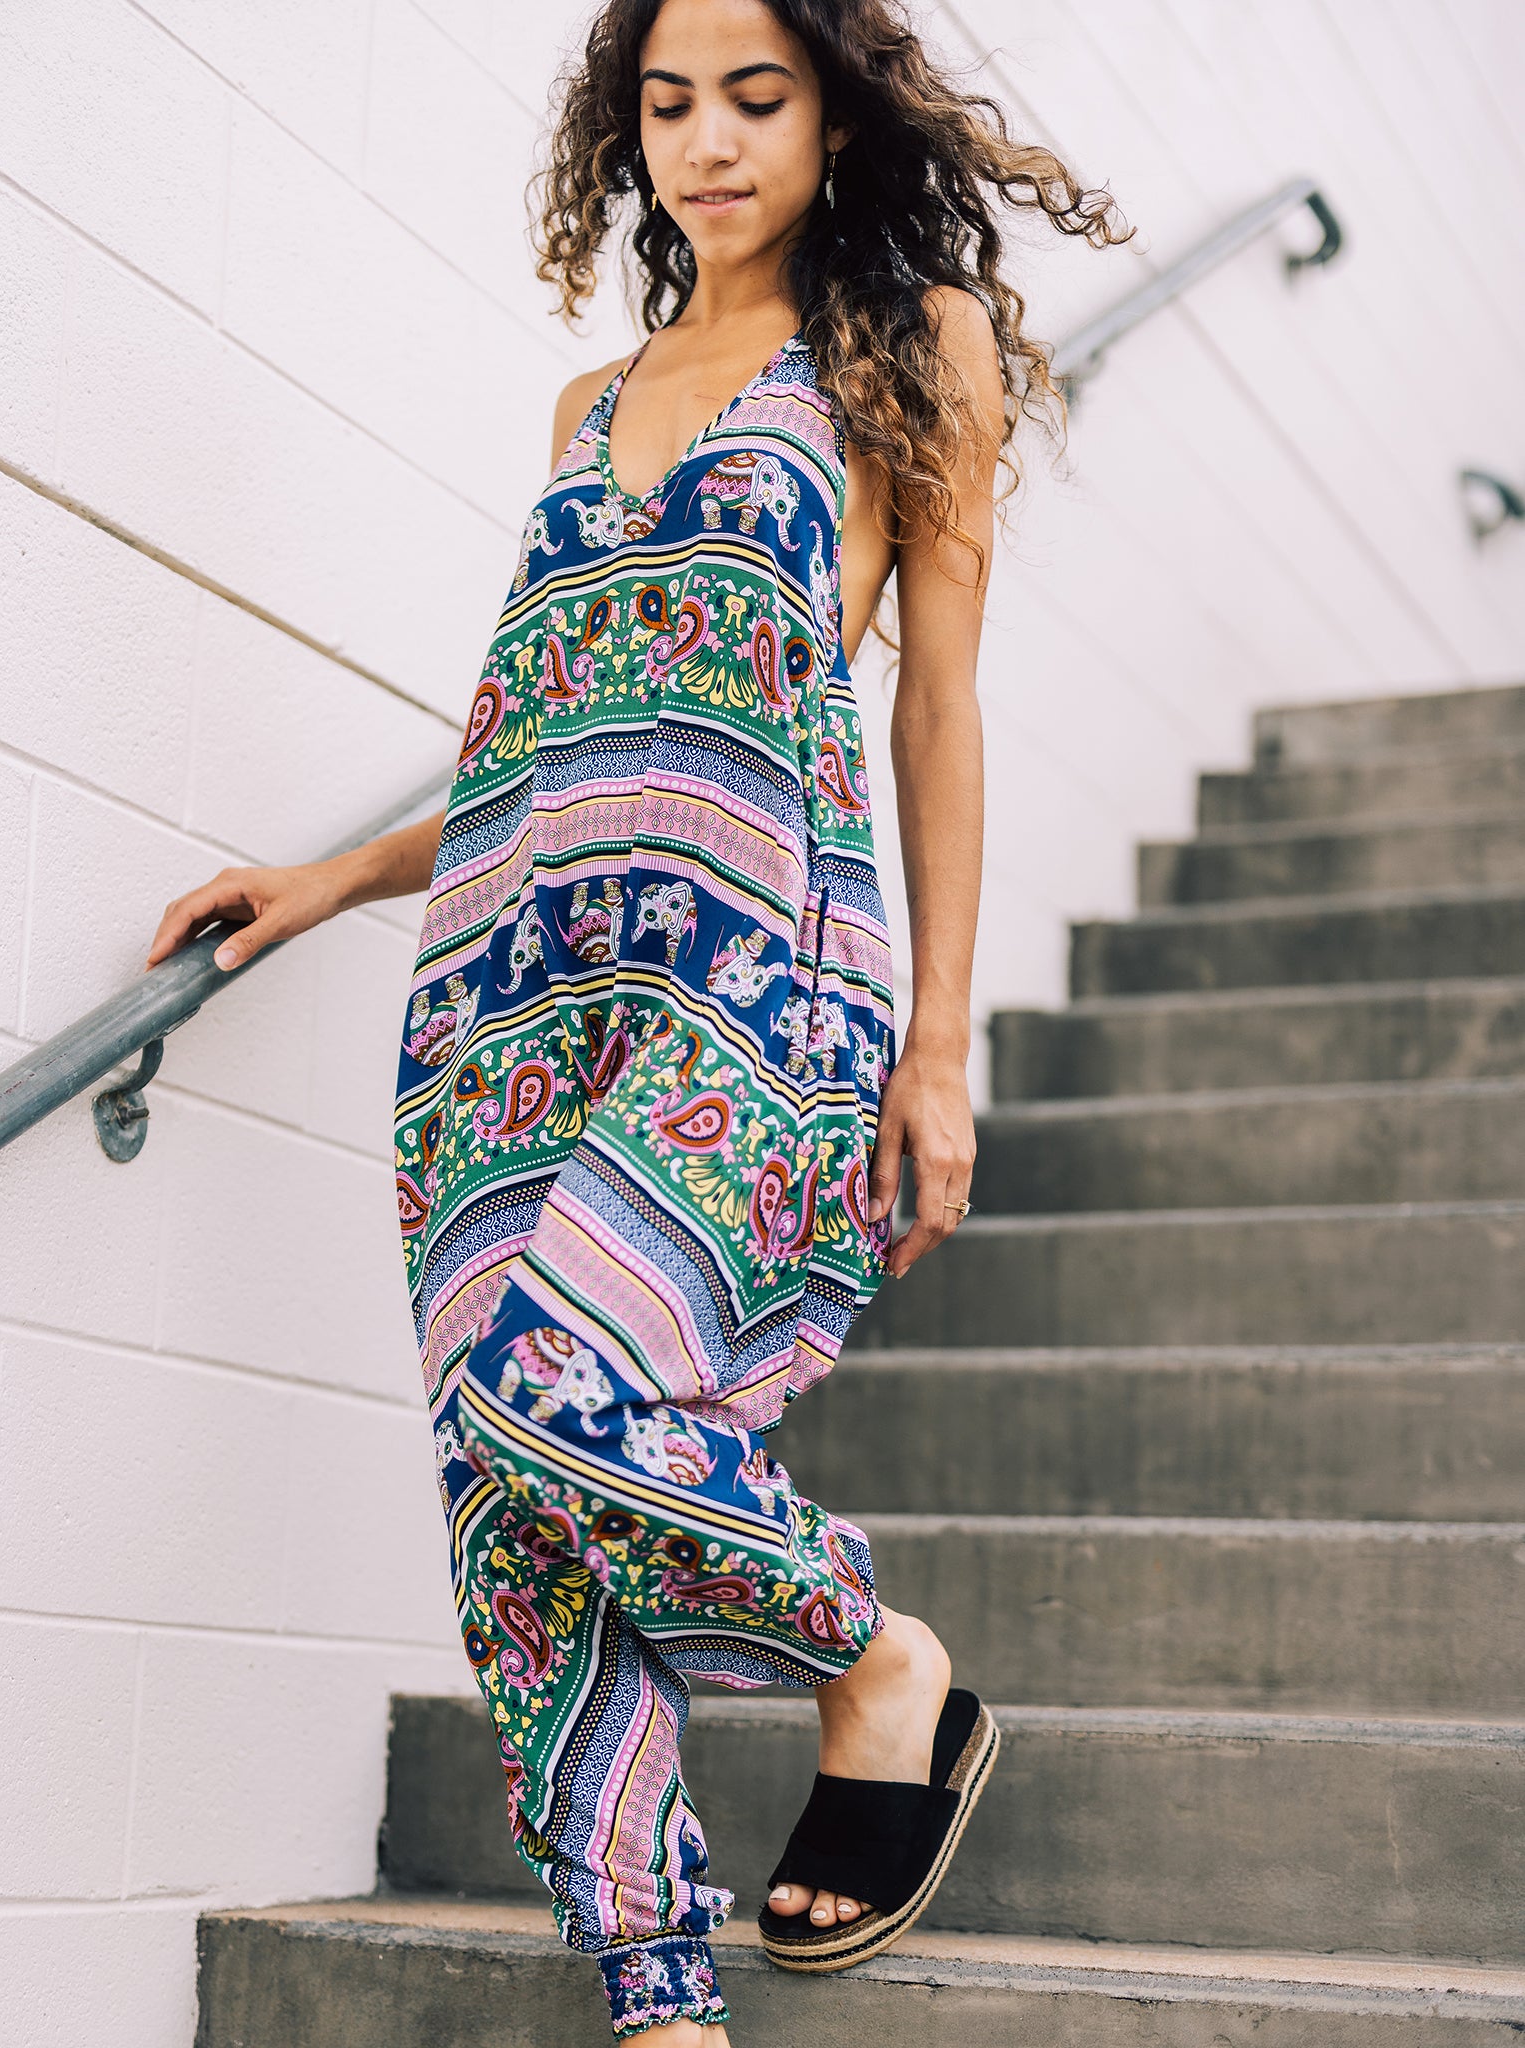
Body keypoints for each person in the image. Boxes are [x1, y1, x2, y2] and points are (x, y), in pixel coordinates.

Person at [148, 1, 1124, 2036]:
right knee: (513, 1507)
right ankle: (654, 1995)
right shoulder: (590, 396)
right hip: (502, 1007)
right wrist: (334, 879)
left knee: (545, 1381)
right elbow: (552, 739)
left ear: (837, 116)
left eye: (754, 97)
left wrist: (939, 1046)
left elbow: (930, 707)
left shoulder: (905, 347)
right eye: (668, 103)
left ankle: (872, 1661)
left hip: (761, 976)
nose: (707, 140)